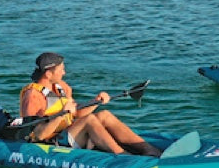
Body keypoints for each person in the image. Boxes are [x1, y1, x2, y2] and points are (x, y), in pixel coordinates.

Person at [19, 52, 162, 156]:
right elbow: (37, 136)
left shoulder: (62, 87)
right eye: (61, 69)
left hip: (69, 132)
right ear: (48, 74)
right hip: (51, 142)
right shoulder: (33, 96)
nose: (64, 72)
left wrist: (95, 102)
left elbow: (76, 114)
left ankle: (147, 149)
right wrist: (59, 115)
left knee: (104, 115)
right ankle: (122, 155)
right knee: (90, 120)